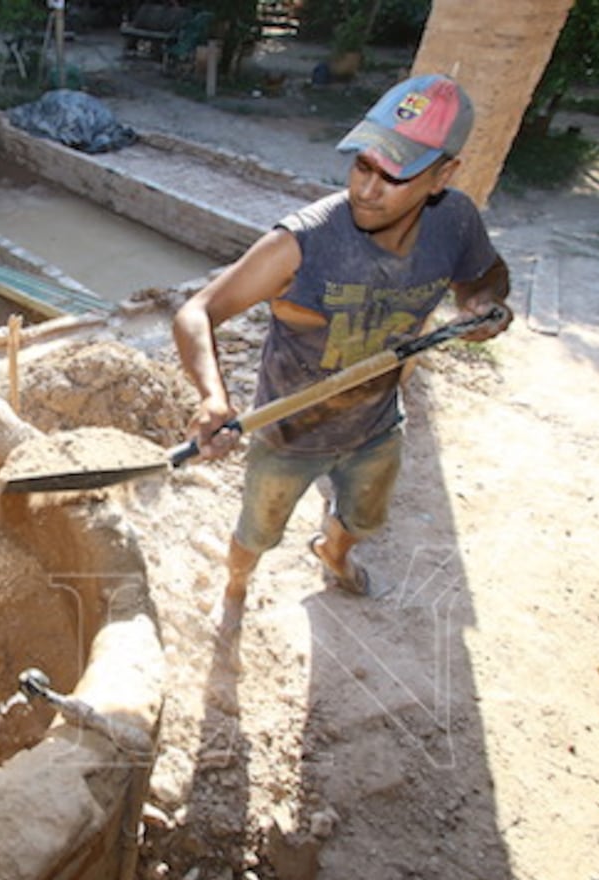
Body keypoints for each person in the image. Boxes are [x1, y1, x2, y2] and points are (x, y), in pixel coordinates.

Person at [173, 73, 511, 618]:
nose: (366, 190)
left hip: (377, 425)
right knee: (256, 534)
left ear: (443, 176)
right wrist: (213, 397)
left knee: (362, 520)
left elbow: (487, 273)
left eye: (393, 176)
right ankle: (235, 589)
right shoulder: (302, 243)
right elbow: (196, 312)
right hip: (288, 434)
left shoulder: (455, 222)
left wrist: (483, 302)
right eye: (362, 166)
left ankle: (333, 551)